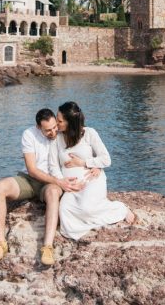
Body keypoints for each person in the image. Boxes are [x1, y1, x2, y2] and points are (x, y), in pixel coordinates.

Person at [0, 108, 94, 266]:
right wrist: (59, 182)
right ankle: (0, 243)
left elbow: (86, 147)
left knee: (52, 193)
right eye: (48, 130)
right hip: (29, 179)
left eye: (54, 127)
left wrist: (94, 165)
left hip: (51, 184)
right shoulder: (29, 135)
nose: (53, 132)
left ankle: (47, 247)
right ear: (38, 127)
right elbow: (31, 169)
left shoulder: (63, 133)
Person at [49, 101, 135, 241]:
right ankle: (86, 230)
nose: (56, 124)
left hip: (92, 180)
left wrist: (85, 163)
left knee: (86, 209)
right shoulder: (57, 139)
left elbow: (106, 159)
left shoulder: (89, 133)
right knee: (64, 210)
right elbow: (53, 166)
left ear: (70, 122)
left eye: (59, 121)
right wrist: (64, 182)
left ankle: (120, 209)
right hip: (71, 187)